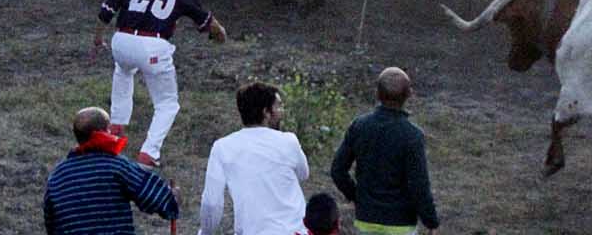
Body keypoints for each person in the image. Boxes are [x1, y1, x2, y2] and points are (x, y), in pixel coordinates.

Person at [93, 0, 226, 168]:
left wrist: (98, 38)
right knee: (167, 103)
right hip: (153, 44)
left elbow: (107, 10)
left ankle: (115, 129)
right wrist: (220, 34)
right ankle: (149, 152)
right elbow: (205, 21)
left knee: (123, 73)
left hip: (122, 39)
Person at [330, 68, 440, 235]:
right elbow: (419, 184)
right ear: (408, 94)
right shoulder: (412, 136)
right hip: (401, 224)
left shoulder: (359, 126)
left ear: (377, 94)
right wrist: (430, 220)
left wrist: (357, 197)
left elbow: (338, 170)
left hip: (367, 220)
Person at [43, 107, 182, 235]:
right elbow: (150, 194)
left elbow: (51, 222)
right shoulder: (116, 166)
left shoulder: (57, 176)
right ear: (104, 132)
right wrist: (170, 198)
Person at [196, 82, 309, 235]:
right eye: (278, 107)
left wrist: (205, 233)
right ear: (266, 112)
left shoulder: (222, 147)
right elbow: (303, 174)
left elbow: (211, 203)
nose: (282, 112)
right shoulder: (289, 141)